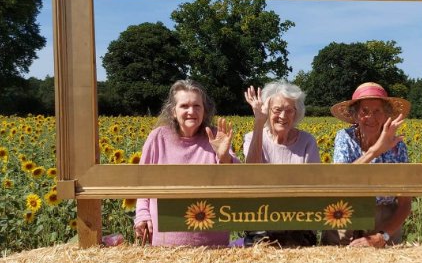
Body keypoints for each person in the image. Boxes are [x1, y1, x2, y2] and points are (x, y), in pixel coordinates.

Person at [134, 80, 238, 247]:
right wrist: (142, 214)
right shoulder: (158, 137)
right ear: (173, 111)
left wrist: (224, 156)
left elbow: (238, 179)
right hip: (165, 241)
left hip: (213, 243)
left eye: (197, 106)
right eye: (184, 106)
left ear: (205, 110)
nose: (191, 111)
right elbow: (142, 183)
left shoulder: (216, 136)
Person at [322, 82, 412, 248]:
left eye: (377, 111)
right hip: (346, 214)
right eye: (365, 111)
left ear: (386, 115)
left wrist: (382, 236)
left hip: (384, 220)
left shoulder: (398, 146)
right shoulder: (345, 137)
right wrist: (376, 150)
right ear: (355, 115)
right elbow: (340, 181)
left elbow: (405, 203)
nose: (371, 117)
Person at [238, 81, 321, 247]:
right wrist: (259, 122)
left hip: (298, 222)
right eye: (277, 110)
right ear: (267, 111)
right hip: (260, 220)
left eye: (289, 110)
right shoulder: (252, 137)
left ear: (296, 114)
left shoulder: (307, 141)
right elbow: (251, 171)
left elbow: (313, 184)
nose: (283, 116)